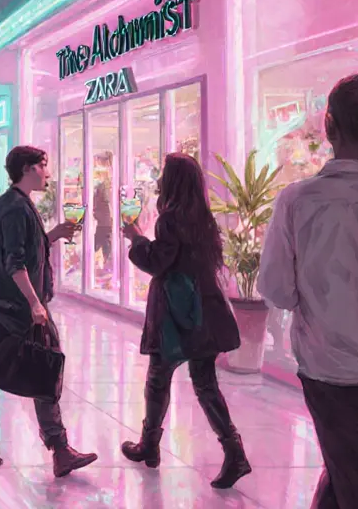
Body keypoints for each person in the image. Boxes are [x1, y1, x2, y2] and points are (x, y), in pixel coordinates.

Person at [258, 74, 358, 509]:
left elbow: (276, 290)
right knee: (348, 469)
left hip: (329, 372)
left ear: (328, 126)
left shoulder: (298, 202)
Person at [0, 145, 95, 478]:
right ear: (27, 169)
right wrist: (36, 304)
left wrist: (52, 235)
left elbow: (22, 250)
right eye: (43, 165)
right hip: (12, 306)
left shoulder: (17, 205)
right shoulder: (13, 209)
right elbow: (15, 262)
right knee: (28, 366)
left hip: (6, 303)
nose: (47, 173)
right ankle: (55, 448)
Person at [120, 153, 248, 489]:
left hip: (176, 316)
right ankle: (234, 451)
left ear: (174, 180)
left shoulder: (169, 220)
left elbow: (159, 262)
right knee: (205, 384)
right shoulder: (202, 218)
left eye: (163, 174)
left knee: (158, 378)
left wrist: (136, 239)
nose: (159, 180)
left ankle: (150, 445)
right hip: (206, 311)